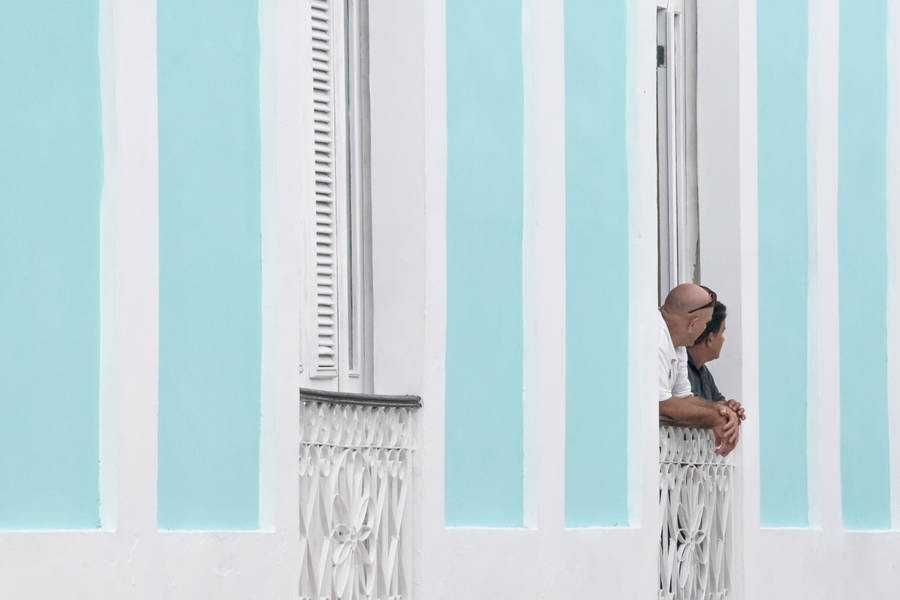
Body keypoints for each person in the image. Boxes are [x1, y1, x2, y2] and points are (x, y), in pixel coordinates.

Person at [658, 284, 739, 456]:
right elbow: (661, 404)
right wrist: (712, 417)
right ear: (693, 324)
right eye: (706, 323)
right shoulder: (655, 338)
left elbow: (684, 398)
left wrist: (720, 408)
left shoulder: (678, 343)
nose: (706, 330)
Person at [686, 300, 746, 426]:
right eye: (722, 332)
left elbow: (717, 402)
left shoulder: (704, 372)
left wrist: (730, 408)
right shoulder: (679, 366)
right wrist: (719, 409)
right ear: (710, 338)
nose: (723, 339)